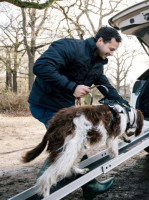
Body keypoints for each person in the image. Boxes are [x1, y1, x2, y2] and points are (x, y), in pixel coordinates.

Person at [28, 26, 129, 199]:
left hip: (64, 108)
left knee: (77, 143)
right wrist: (72, 87)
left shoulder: (97, 64)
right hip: (44, 104)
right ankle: (40, 193)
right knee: (68, 146)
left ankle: (90, 186)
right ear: (99, 41)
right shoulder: (69, 47)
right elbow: (41, 66)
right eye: (111, 49)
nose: (112, 53)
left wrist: (126, 106)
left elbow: (106, 86)